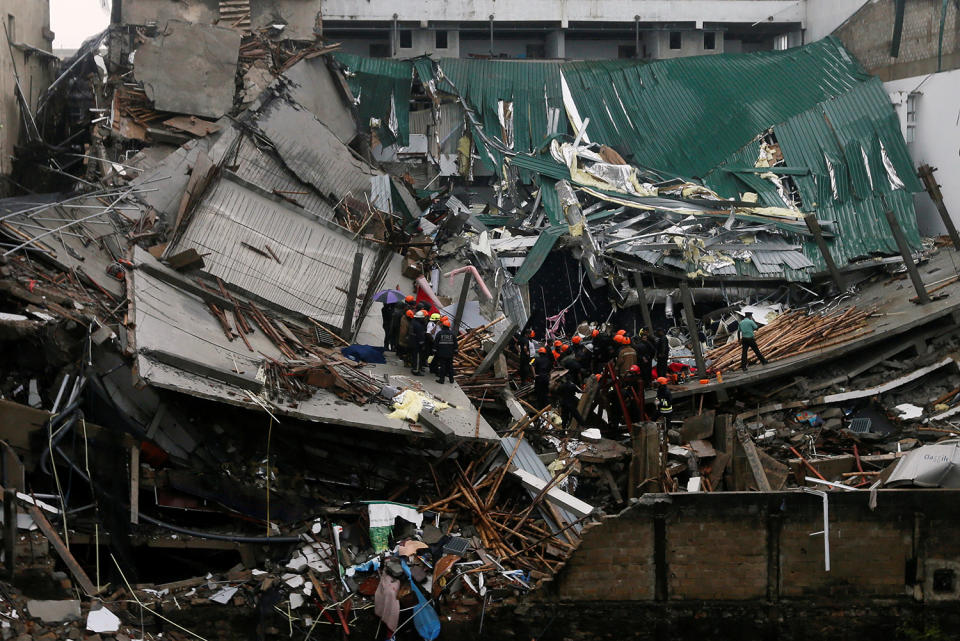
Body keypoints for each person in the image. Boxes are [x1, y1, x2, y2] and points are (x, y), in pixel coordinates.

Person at [433, 319, 458, 383]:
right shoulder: (452, 334)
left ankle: (441, 380)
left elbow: (436, 343)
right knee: (450, 366)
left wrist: (434, 350)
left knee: (442, 366)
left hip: (441, 353)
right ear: (449, 327)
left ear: (443, 326)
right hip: (450, 354)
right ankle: (451, 380)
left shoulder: (440, 333)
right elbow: (455, 343)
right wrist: (455, 351)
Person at [409, 310, 428, 375]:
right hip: (416, 344)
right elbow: (420, 336)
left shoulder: (413, 322)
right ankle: (416, 371)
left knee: (414, 356)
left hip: (412, 342)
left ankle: (414, 368)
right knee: (417, 357)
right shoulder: (418, 326)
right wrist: (422, 344)